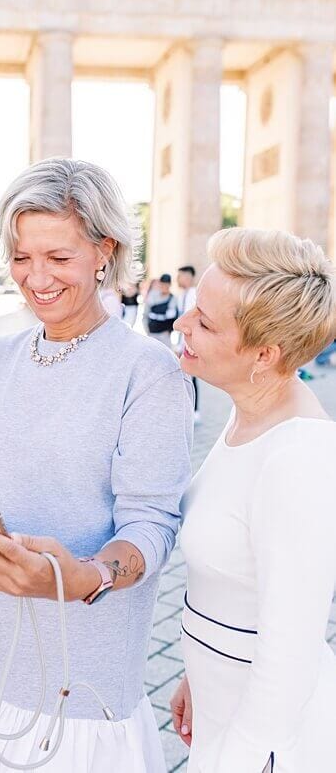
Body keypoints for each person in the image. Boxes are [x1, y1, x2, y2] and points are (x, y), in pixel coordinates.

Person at [0, 158, 192, 772]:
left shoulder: (148, 373)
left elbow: (152, 524)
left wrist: (79, 576)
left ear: (105, 251)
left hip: (83, 676)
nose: (36, 278)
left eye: (58, 258)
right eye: (21, 257)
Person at [169, 228, 336, 772]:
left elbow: (291, 655)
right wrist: (195, 671)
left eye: (205, 323)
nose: (181, 325)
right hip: (223, 708)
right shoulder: (249, 414)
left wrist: (238, 758)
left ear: (264, 354)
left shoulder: (299, 457)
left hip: (264, 744)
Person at [176, 265, 201, 423]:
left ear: (189, 277)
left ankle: (195, 410)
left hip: (191, 342)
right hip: (181, 342)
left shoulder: (195, 295)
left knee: (192, 377)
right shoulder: (181, 295)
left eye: (181, 276)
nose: (178, 279)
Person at [144, 273, 178, 346]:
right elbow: (145, 314)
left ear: (170, 285)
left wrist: (169, 331)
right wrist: (147, 330)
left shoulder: (173, 299)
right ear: (160, 284)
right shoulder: (152, 296)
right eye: (162, 284)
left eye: (166, 285)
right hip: (151, 333)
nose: (164, 287)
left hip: (164, 334)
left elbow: (173, 317)